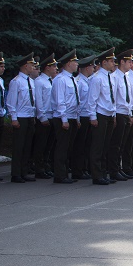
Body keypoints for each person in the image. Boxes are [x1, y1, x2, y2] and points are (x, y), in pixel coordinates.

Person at [86, 48, 118, 185]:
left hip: (110, 114)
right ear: (104, 62)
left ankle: (104, 172)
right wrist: (92, 117)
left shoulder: (111, 77)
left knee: (106, 145)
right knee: (98, 146)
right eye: (111, 61)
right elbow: (92, 99)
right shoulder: (97, 78)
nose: (113, 63)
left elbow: (113, 98)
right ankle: (97, 174)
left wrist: (114, 114)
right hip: (100, 114)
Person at [5, 53, 38, 183]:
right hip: (20, 116)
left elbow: (32, 100)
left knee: (27, 146)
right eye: (32, 64)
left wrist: (33, 115)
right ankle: (16, 173)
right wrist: (13, 117)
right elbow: (11, 101)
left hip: (29, 115)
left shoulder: (30, 81)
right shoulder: (16, 81)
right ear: (25, 66)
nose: (33, 67)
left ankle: (24, 172)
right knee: (19, 146)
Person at [51, 50, 81, 184]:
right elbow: (60, 101)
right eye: (75, 62)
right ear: (68, 63)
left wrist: (76, 118)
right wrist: (64, 119)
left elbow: (75, 100)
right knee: (62, 147)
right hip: (63, 118)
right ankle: (59, 175)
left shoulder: (72, 79)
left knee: (68, 147)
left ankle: (65, 172)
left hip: (72, 116)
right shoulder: (60, 79)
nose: (77, 64)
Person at [108, 49, 133, 181]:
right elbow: (114, 99)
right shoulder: (114, 77)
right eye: (129, 61)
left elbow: (128, 99)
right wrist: (114, 116)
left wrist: (129, 115)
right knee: (116, 144)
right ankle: (113, 170)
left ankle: (119, 168)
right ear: (122, 62)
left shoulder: (126, 77)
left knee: (123, 144)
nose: (131, 64)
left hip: (125, 114)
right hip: (118, 113)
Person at [31, 53, 57, 179]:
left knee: (48, 145)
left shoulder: (50, 81)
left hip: (52, 116)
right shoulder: (39, 82)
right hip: (44, 117)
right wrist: (42, 117)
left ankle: (46, 167)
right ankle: (39, 168)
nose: (56, 68)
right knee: (41, 145)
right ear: (47, 67)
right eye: (54, 66)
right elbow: (39, 101)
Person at [70, 56, 94, 180]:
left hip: (88, 116)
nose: (93, 68)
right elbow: (77, 102)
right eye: (91, 66)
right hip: (82, 116)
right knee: (80, 145)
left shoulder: (88, 81)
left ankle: (85, 168)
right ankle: (77, 170)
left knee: (87, 145)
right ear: (86, 67)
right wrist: (78, 118)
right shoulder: (78, 81)